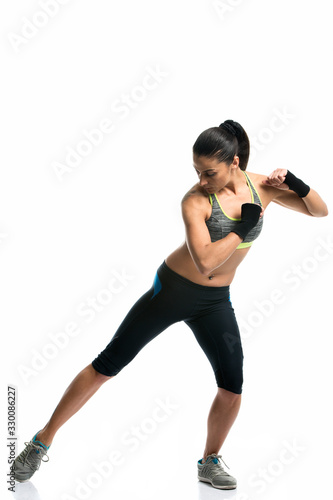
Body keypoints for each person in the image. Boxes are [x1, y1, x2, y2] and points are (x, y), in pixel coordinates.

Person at [14, 120, 328, 490]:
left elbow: (318, 211)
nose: (201, 179)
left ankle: (209, 461)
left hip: (215, 302)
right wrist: (243, 227)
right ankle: (41, 441)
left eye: (209, 172)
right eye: (196, 170)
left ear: (235, 163)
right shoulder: (195, 200)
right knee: (107, 365)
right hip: (173, 291)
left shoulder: (263, 188)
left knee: (232, 385)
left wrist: (296, 182)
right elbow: (206, 261)